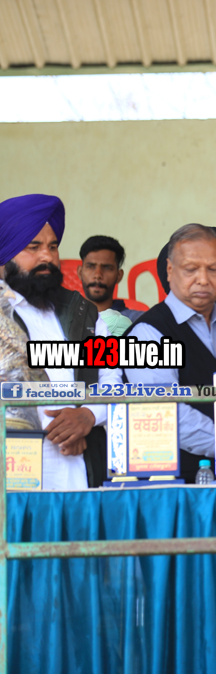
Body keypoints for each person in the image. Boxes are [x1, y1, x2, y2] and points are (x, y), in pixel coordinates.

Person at [0, 194, 123, 489]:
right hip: (12, 474)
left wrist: (87, 415)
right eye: (33, 247)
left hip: (77, 474)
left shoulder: (81, 312)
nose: (47, 257)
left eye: (53, 247)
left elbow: (111, 377)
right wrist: (59, 426)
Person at [124, 224, 216, 483]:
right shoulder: (146, 334)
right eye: (191, 269)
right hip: (174, 487)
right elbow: (165, 414)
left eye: (213, 269)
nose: (203, 279)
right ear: (170, 270)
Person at [77, 235, 142, 322]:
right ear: (80, 272)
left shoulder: (137, 321)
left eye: (107, 268)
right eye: (91, 266)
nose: (98, 275)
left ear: (119, 276)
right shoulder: (63, 320)